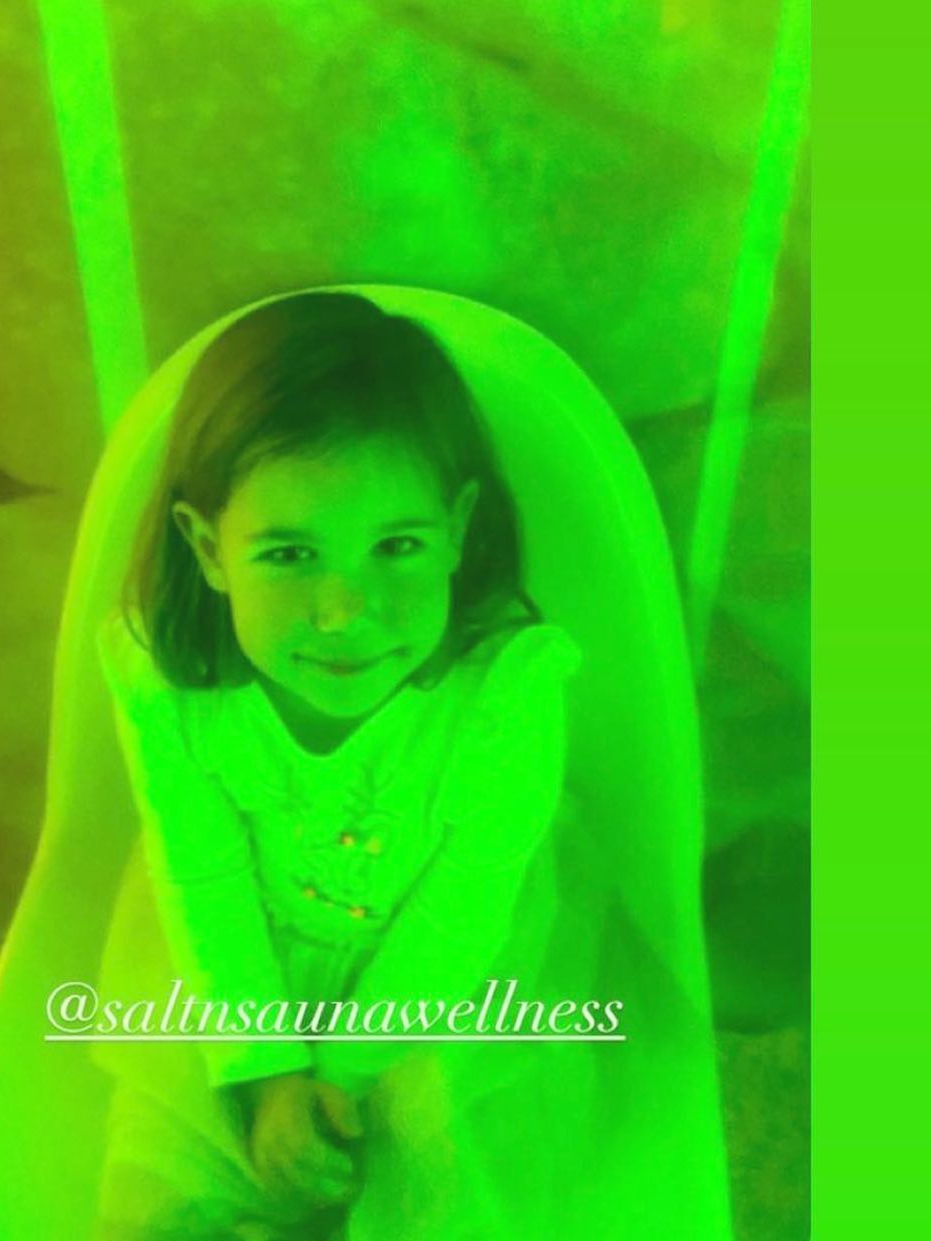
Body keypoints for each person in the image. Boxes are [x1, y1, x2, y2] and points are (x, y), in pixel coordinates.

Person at [90, 291, 591, 1240]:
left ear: (455, 529)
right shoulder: (166, 680)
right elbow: (203, 874)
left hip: (442, 967)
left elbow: (461, 910)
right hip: (241, 945)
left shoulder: (506, 698)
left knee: (458, 1176)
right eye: (289, 553)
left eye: (396, 546)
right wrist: (266, 1066)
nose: (343, 611)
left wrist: (344, 1071)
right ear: (209, 548)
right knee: (164, 1196)